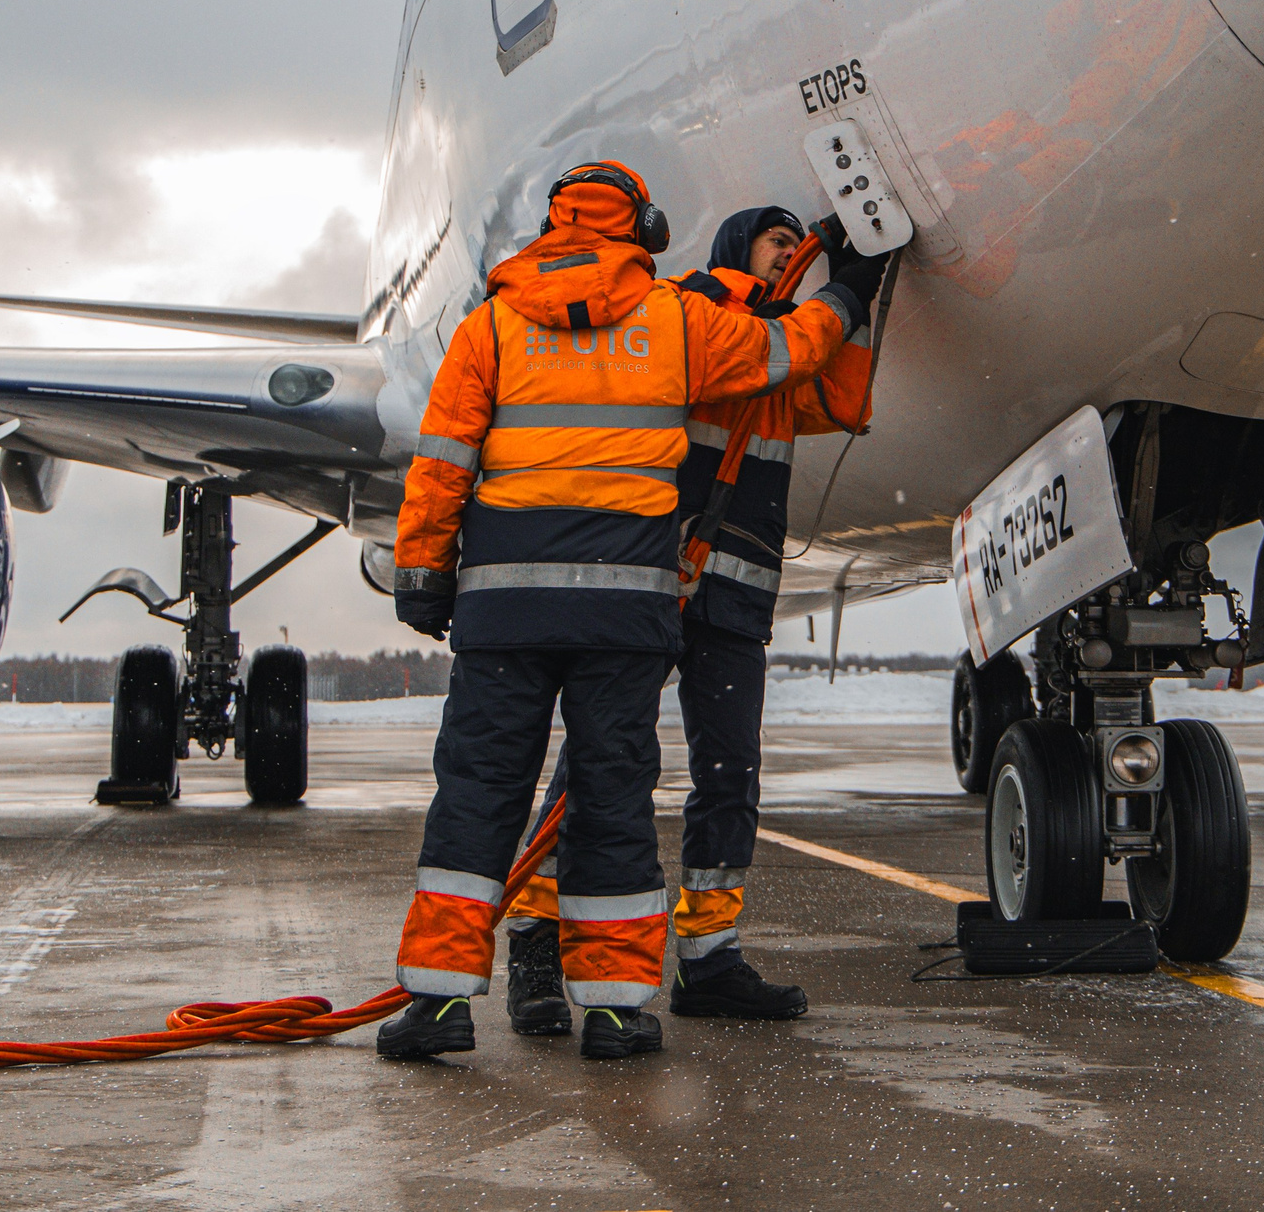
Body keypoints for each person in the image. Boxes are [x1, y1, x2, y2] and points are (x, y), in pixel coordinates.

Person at [378, 164, 885, 1063]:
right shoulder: (675, 321)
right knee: (614, 799)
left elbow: (443, 458)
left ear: (550, 227)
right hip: (625, 607)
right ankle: (615, 1009)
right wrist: (848, 289)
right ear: (643, 230)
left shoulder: (489, 326)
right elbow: (789, 350)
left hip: (506, 610)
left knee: (478, 796)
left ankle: (439, 1002)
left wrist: (422, 572)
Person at [498, 206, 875, 1036]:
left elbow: (841, 399)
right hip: (661, 580)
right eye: (779, 242)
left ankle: (710, 954)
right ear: (741, 251)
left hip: (736, 594)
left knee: (730, 770)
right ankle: (535, 935)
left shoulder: (785, 338)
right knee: (602, 762)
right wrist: (831, 294)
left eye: (794, 242)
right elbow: (757, 354)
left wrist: (861, 295)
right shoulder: (695, 311)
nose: (792, 253)